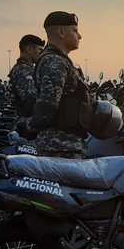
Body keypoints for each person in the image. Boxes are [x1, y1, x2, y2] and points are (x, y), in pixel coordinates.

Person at [27, 11, 90, 158]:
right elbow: (48, 105)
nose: (79, 36)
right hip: (59, 147)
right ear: (61, 32)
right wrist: (29, 126)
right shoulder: (54, 61)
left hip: (64, 145)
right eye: (75, 31)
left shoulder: (60, 60)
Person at [8, 34, 45, 120]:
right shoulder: (22, 70)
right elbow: (31, 99)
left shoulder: (30, 69)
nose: (41, 53)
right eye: (39, 49)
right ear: (29, 49)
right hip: (28, 123)